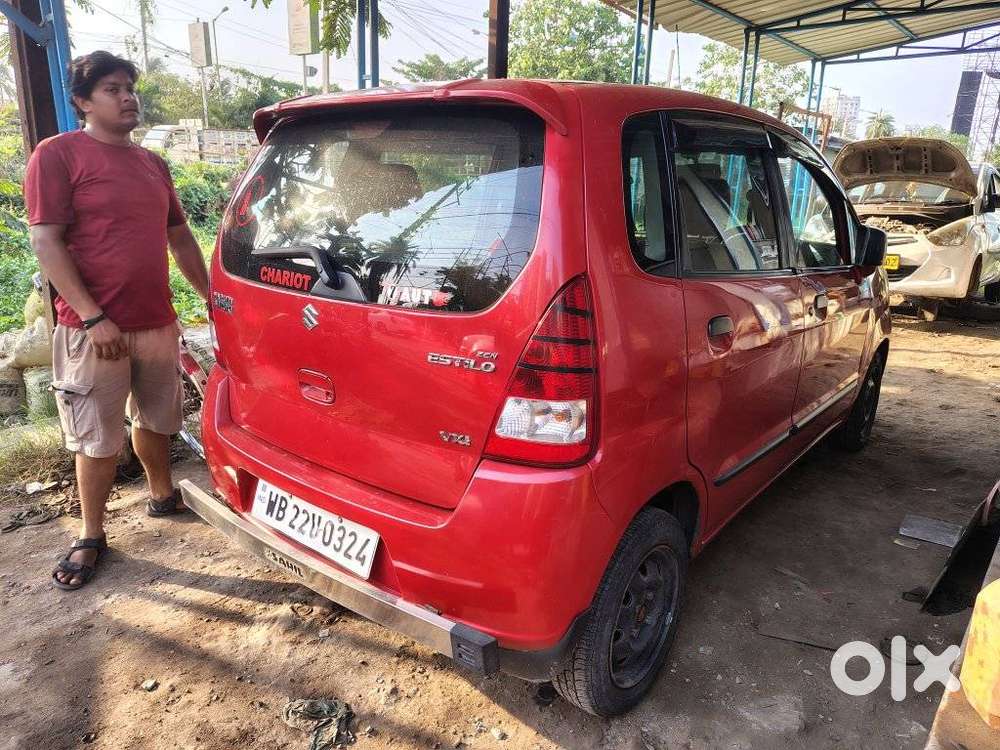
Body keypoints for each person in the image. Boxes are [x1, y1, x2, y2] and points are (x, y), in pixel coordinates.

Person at [24, 51, 210, 591]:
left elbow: (179, 237)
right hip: (94, 329)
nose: (128, 97)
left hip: (155, 321)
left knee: (157, 419)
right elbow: (46, 241)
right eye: (112, 89)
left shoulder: (153, 164)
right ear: (83, 101)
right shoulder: (58, 155)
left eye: (130, 87)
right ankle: (91, 534)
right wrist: (92, 316)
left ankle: (161, 493)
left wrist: (208, 296)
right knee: (98, 438)